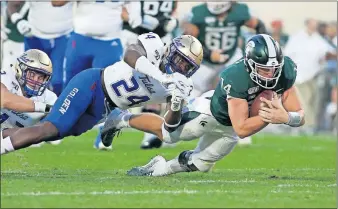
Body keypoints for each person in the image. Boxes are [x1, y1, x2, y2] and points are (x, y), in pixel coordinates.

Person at [100, 34, 305, 177]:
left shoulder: (285, 71)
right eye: (264, 69)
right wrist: (269, 117)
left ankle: (159, 167)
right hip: (209, 113)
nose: (271, 75)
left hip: (229, 130)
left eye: (274, 68)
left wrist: (287, 118)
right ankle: (121, 119)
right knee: (170, 134)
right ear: (250, 64)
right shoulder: (236, 77)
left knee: (200, 164)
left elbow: (299, 115)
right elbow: (242, 128)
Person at [0, 33, 203, 155]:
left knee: (52, 133)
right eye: (178, 58)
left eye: (186, 66)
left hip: (105, 109)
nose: (179, 67)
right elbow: (130, 55)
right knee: (49, 129)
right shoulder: (155, 46)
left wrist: (176, 104)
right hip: (93, 84)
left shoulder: (180, 85)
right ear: (170, 50)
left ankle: (117, 120)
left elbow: (170, 126)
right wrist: (160, 76)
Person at [94, 1, 179, 150]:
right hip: (134, 36)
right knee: (117, 84)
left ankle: (150, 135)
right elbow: (120, 10)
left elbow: (173, 11)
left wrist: (172, 21)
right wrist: (144, 21)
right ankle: (103, 131)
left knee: (157, 87)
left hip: (161, 38)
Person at [7, 1, 74, 96]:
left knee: (58, 82)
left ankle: (54, 108)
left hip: (63, 36)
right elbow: (12, 4)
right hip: (35, 36)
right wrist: (18, 21)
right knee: (30, 81)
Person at [1, 49, 57, 146]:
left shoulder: (49, 98)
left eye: (41, 77)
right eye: (32, 74)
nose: (36, 81)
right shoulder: (6, 78)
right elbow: (4, 99)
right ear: (20, 69)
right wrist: (46, 108)